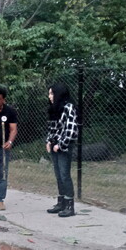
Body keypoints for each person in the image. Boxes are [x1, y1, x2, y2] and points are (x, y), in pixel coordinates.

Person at [45, 83, 79, 217]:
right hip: (54, 145)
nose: (50, 96)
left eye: (52, 93)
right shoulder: (54, 108)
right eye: (49, 93)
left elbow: (71, 130)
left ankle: (70, 206)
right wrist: (48, 140)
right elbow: (52, 128)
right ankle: (61, 203)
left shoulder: (68, 108)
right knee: (58, 175)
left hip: (63, 146)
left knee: (65, 175)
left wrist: (60, 144)